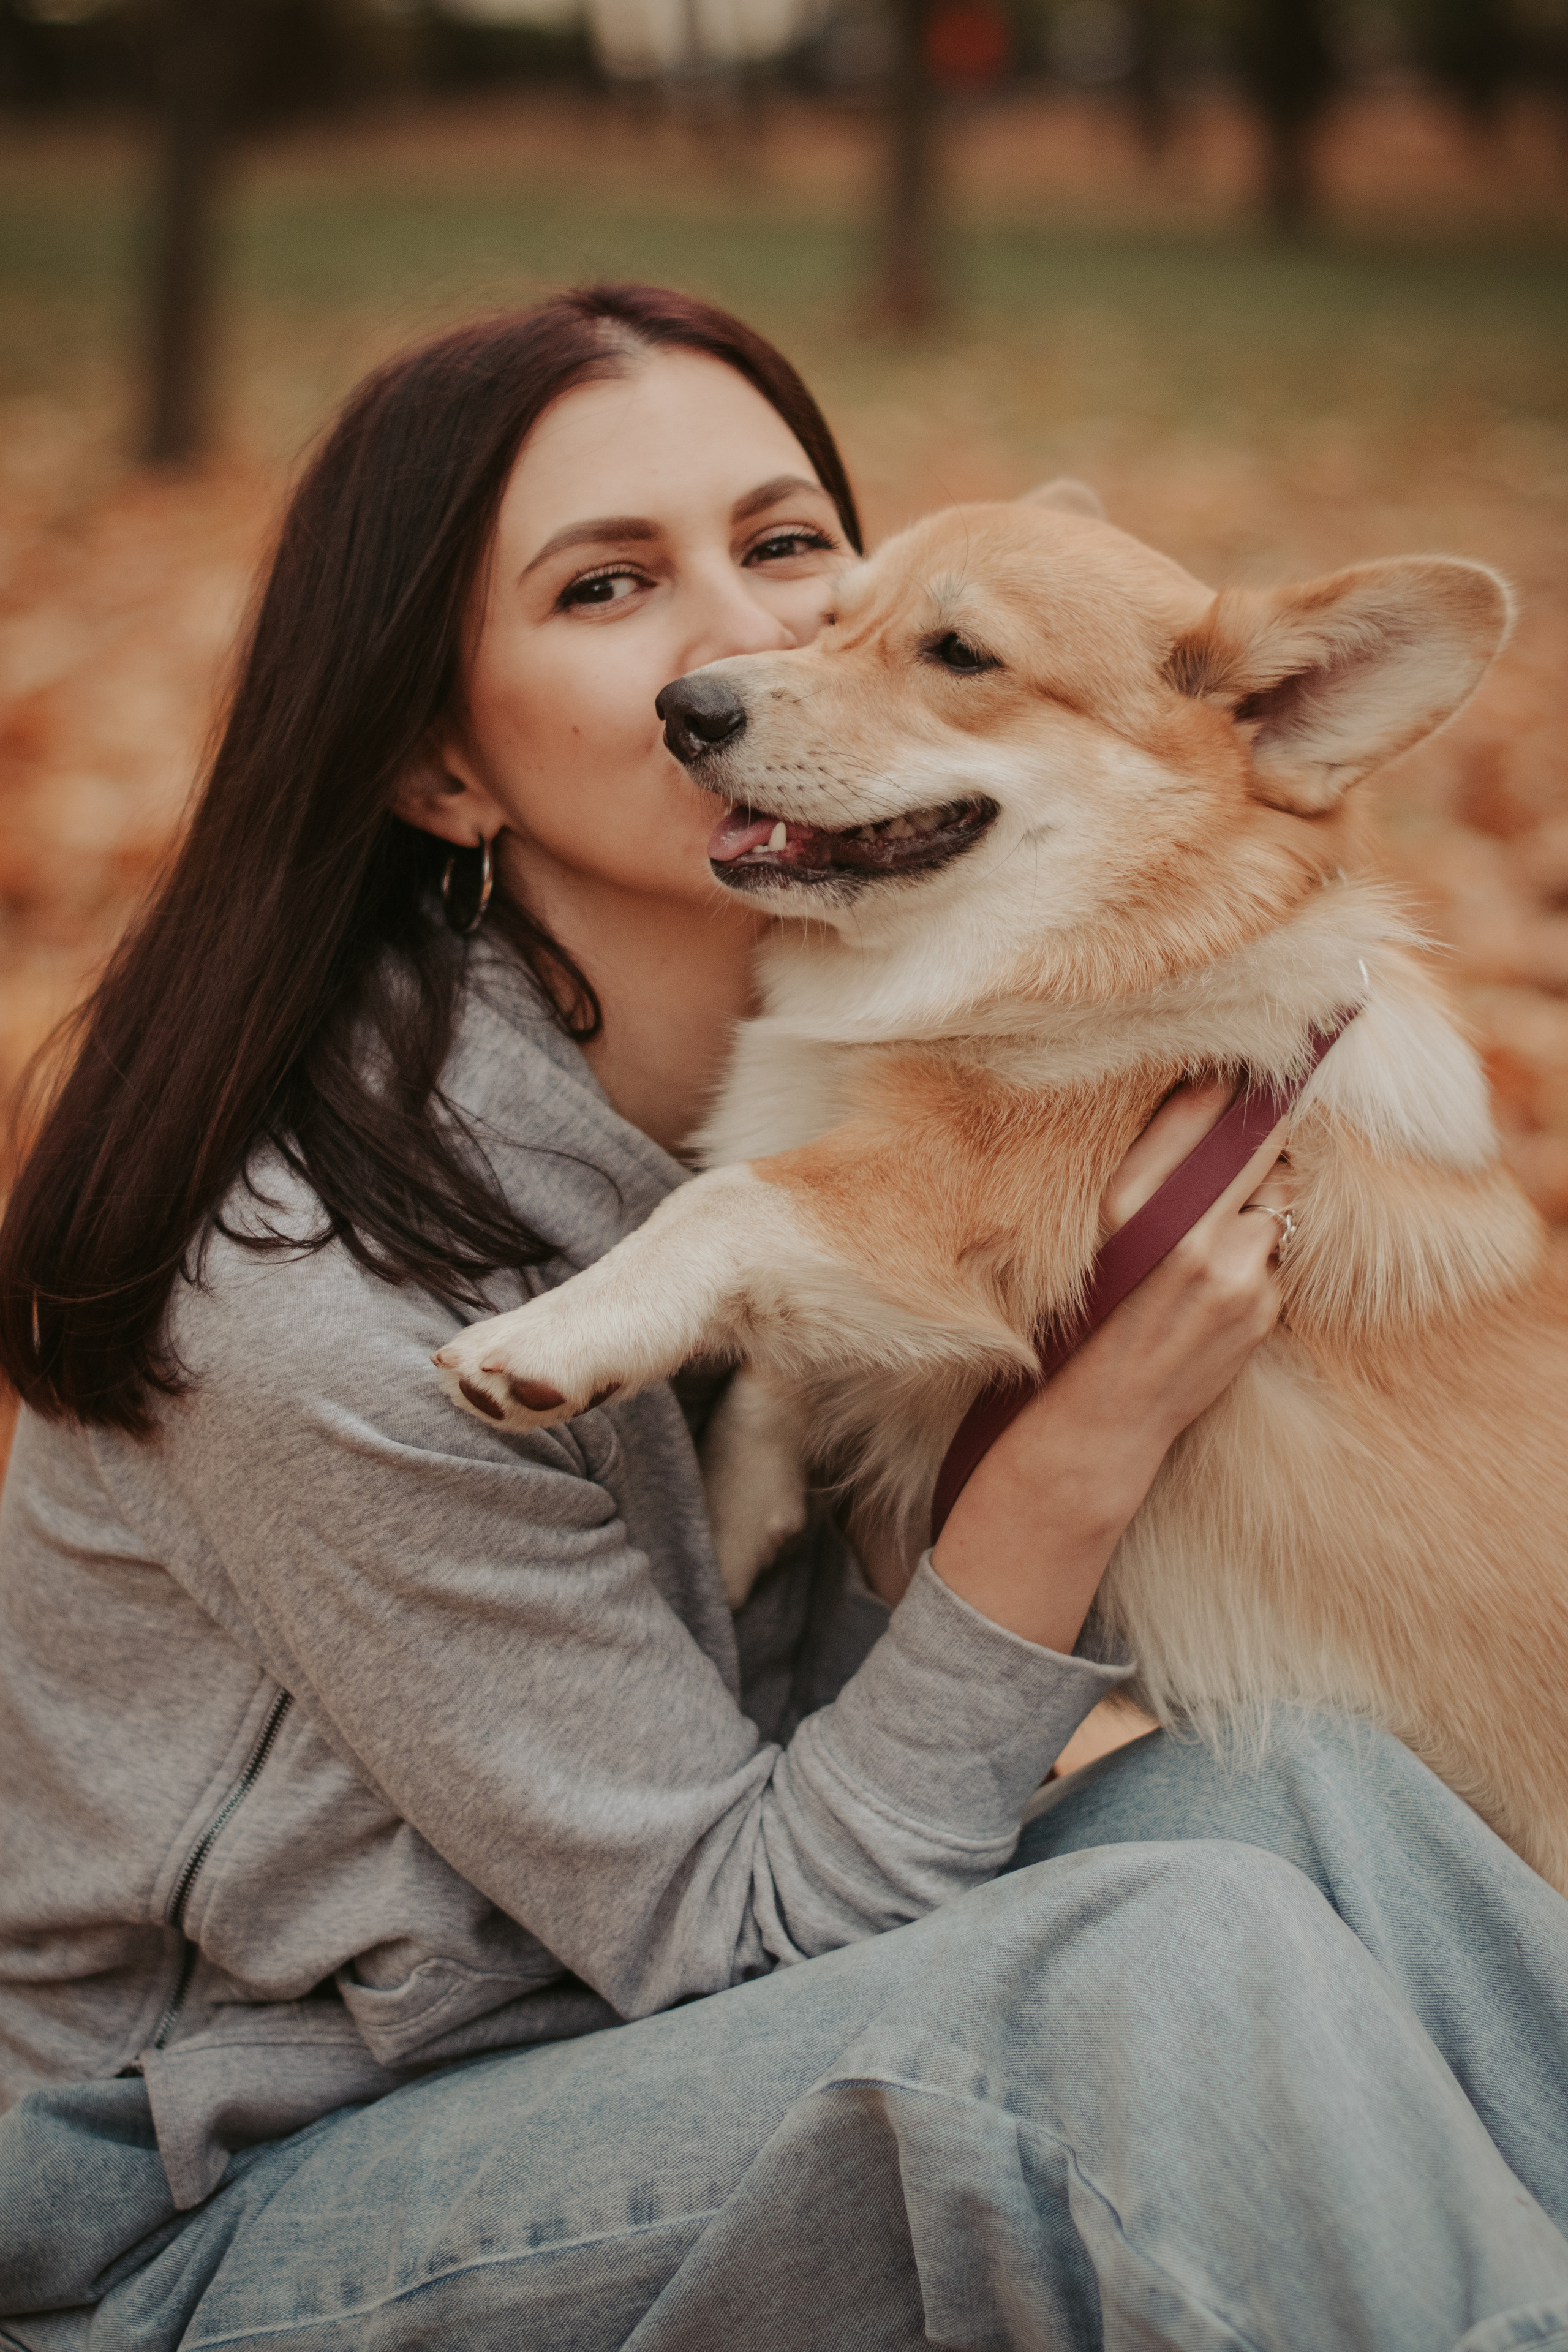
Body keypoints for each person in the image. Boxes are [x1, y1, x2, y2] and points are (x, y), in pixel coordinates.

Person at [0, 284, 1564, 2352]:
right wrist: (1071, 1456)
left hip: (624, 2049)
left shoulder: (876, 1112)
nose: (750, 644)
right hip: (223, 2212)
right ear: (442, 766)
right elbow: (730, 1927)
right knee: (1151, 1971)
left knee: (1313, 1811)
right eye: (608, 583)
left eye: (790, 544)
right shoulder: (319, 1298)